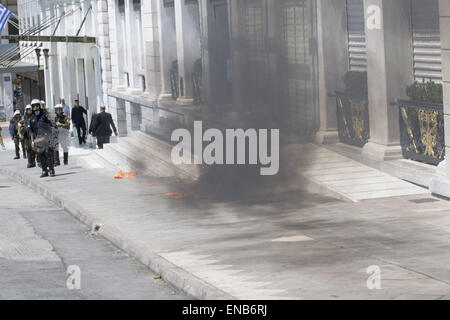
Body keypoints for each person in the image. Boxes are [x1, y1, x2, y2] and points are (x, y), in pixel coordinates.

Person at [30, 101, 56, 178]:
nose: (36, 107)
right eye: (34, 106)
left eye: (37, 106)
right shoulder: (32, 118)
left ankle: (51, 169)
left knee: (48, 153)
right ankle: (44, 171)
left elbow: (51, 124)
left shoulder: (44, 115)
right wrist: (32, 141)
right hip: (38, 139)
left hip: (47, 137)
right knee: (41, 155)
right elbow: (31, 131)